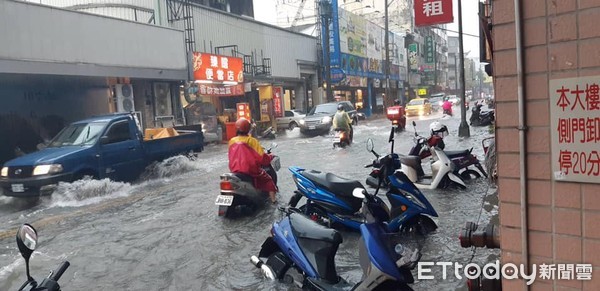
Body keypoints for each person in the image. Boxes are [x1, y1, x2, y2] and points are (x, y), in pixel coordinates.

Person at [228, 118, 277, 203]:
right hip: (250, 171)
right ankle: (274, 202)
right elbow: (262, 158)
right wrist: (270, 157)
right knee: (269, 180)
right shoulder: (251, 141)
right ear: (248, 128)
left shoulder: (232, 141)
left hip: (234, 172)